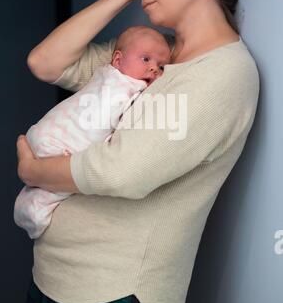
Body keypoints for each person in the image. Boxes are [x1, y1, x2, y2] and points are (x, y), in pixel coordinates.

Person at [16, 0, 260, 303]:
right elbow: (45, 62)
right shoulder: (151, 55)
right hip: (55, 278)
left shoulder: (222, 74)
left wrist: (34, 172)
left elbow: (120, 172)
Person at [14, 27, 171, 239]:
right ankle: (32, 214)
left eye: (161, 66)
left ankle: (30, 205)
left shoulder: (104, 75)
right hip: (63, 142)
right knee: (55, 189)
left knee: (49, 185)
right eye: (145, 59)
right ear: (117, 60)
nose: (154, 69)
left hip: (45, 133)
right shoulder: (126, 86)